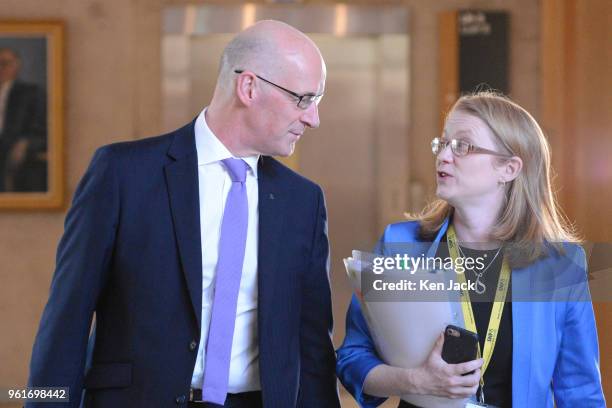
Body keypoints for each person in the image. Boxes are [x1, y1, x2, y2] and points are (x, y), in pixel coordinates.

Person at [28, 20, 340, 407]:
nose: (313, 119)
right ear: (249, 88)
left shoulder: (303, 202)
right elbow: (66, 322)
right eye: (304, 99)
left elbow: (312, 350)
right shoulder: (123, 174)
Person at [336, 91, 605, 407]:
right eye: (443, 143)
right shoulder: (400, 246)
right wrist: (415, 381)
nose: (443, 156)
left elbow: (580, 392)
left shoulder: (561, 267)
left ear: (509, 168)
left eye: (462, 146)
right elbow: (352, 358)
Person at [0, 47, 47, 192]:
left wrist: (25, 143)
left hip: (14, 148)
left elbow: (42, 129)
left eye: (4, 63)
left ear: (16, 65)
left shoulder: (31, 92)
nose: (0, 68)